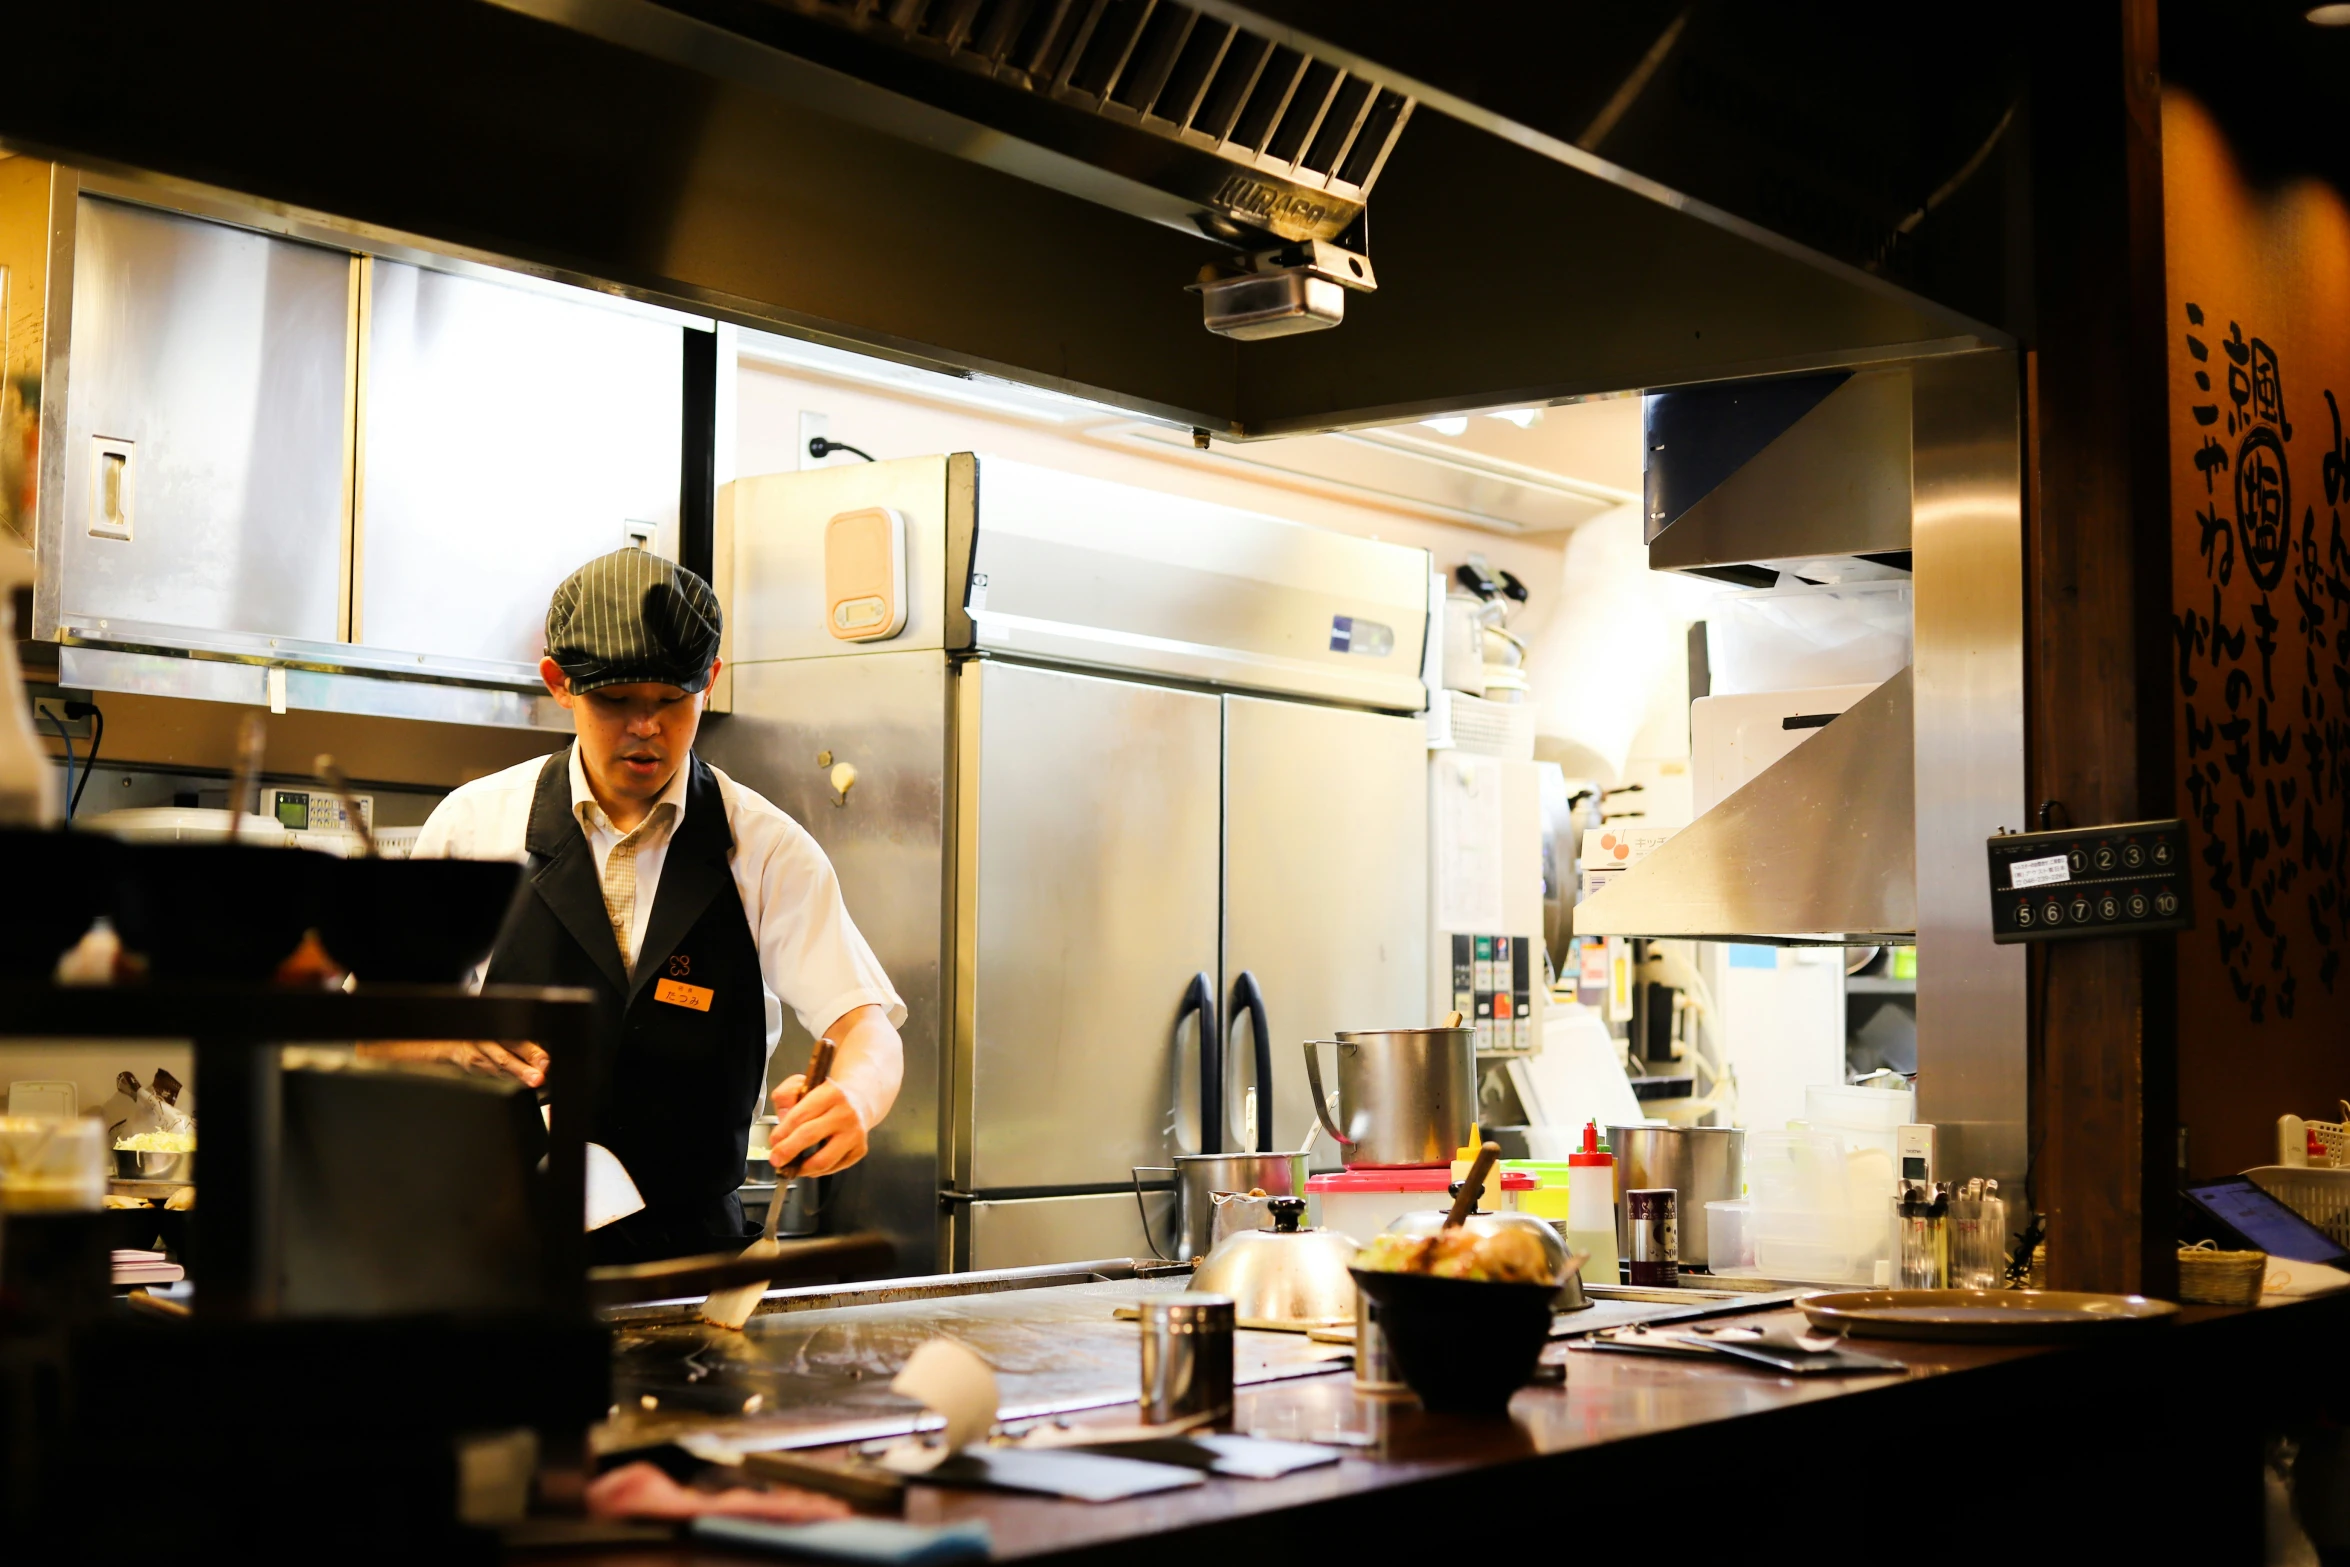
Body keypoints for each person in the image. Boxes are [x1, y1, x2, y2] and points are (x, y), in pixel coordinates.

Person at [374, 549, 904, 1261]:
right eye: (616, 701)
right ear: (560, 683)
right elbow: (373, 1028)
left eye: (671, 700)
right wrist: (447, 1033)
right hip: (493, 1255)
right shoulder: (475, 826)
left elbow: (867, 1026)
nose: (646, 727)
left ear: (709, 683)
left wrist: (856, 1099)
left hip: (692, 1263)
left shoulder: (767, 847)